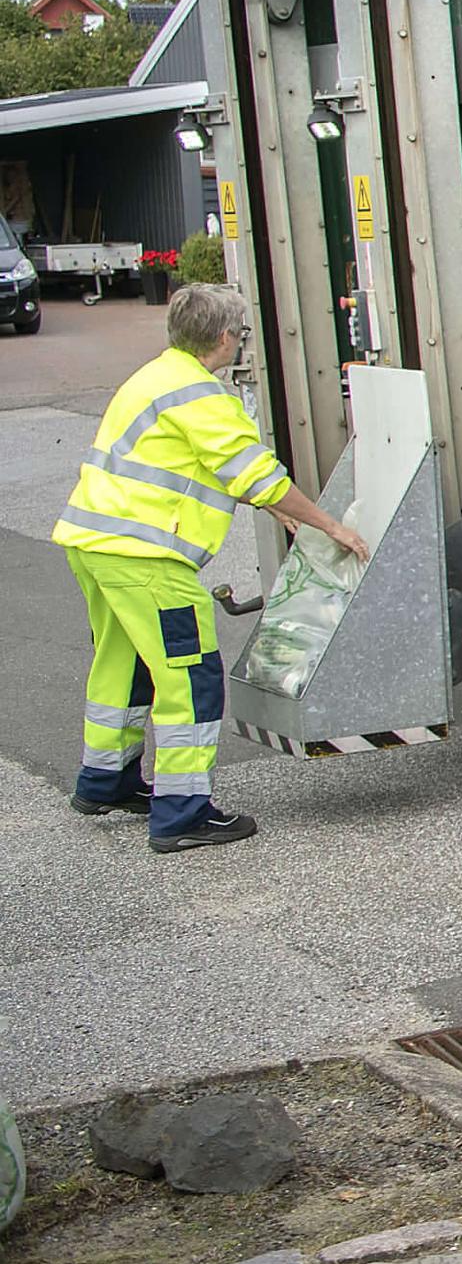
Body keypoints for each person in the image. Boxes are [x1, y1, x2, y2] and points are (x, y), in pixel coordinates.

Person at [55, 281, 369, 853]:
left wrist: (283, 514)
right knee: (192, 679)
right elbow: (255, 475)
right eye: (242, 335)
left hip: (95, 543)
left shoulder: (155, 375)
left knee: (123, 667)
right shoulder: (202, 395)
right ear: (226, 338)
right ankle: (181, 813)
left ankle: (105, 781)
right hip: (146, 559)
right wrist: (329, 525)